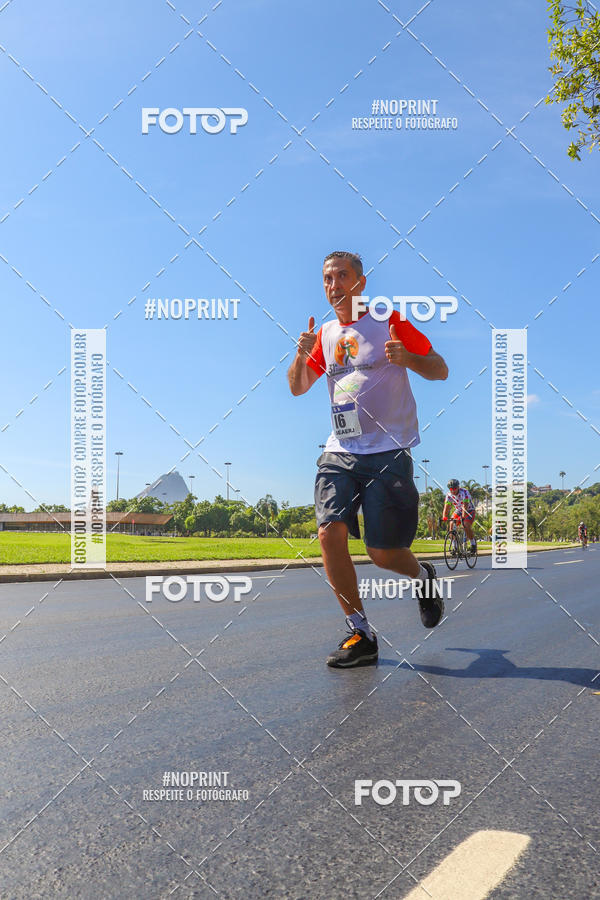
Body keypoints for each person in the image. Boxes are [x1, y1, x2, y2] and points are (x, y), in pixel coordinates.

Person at [288, 250, 448, 668]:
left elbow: (440, 369)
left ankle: (423, 577)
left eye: (342, 276)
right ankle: (361, 632)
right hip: (339, 450)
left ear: (361, 282)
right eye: (326, 277)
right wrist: (300, 355)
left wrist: (408, 358)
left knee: (382, 552)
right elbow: (298, 387)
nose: (333, 284)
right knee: (329, 533)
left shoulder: (387, 321)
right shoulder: (323, 335)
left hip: (388, 449)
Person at [442, 480, 477, 551]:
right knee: (451, 523)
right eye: (451, 489)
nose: (453, 491)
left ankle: (473, 544)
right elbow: (446, 507)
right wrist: (444, 517)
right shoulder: (449, 495)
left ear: (458, 487)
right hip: (458, 510)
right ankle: (455, 546)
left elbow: (465, 506)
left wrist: (463, 518)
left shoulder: (464, 492)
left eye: (454, 488)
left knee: (466, 524)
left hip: (469, 510)